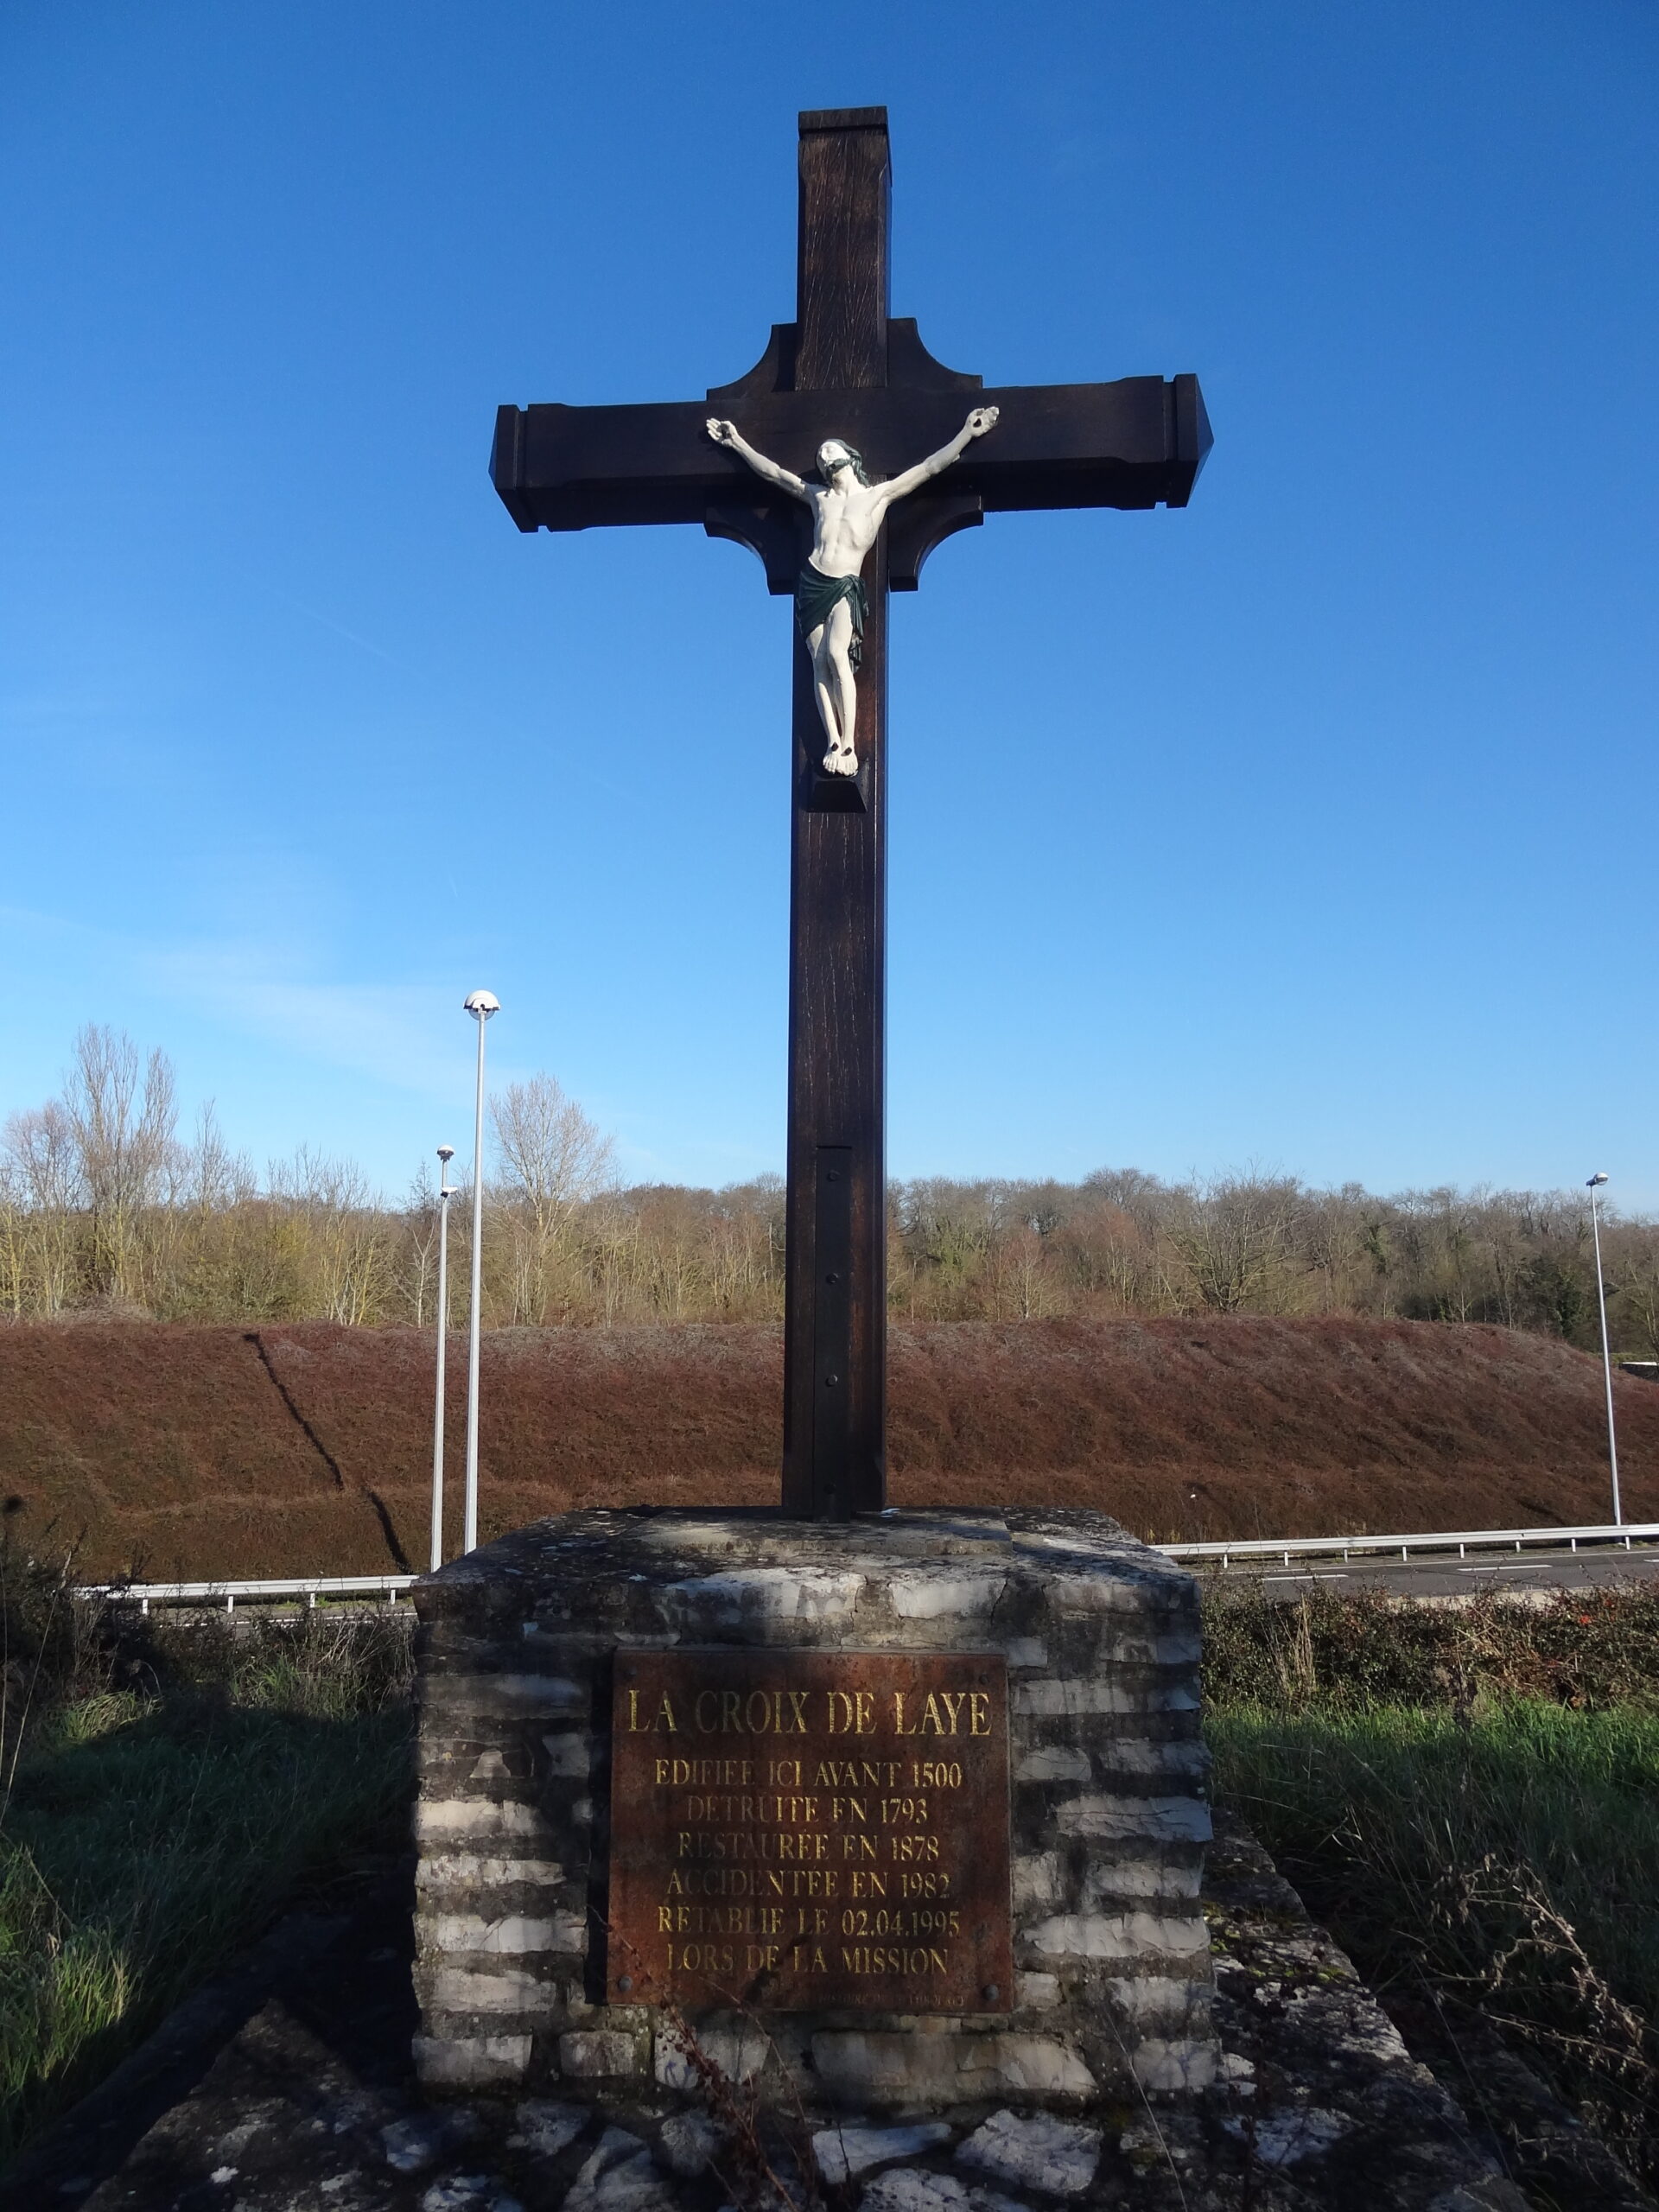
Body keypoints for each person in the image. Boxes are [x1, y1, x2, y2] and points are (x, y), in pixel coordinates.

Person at [705, 407, 1000, 775]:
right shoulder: (818, 498)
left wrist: (967, 435)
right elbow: (776, 474)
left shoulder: (878, 496)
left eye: (830, 450)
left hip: (845, 584)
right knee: (819, 663)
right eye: (820, 456)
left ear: (851, 457)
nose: (823, 456)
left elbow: (929, 468)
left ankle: (849, 743)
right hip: (812, 580)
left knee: (835, 654)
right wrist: (737, 444)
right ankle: (833, 739)